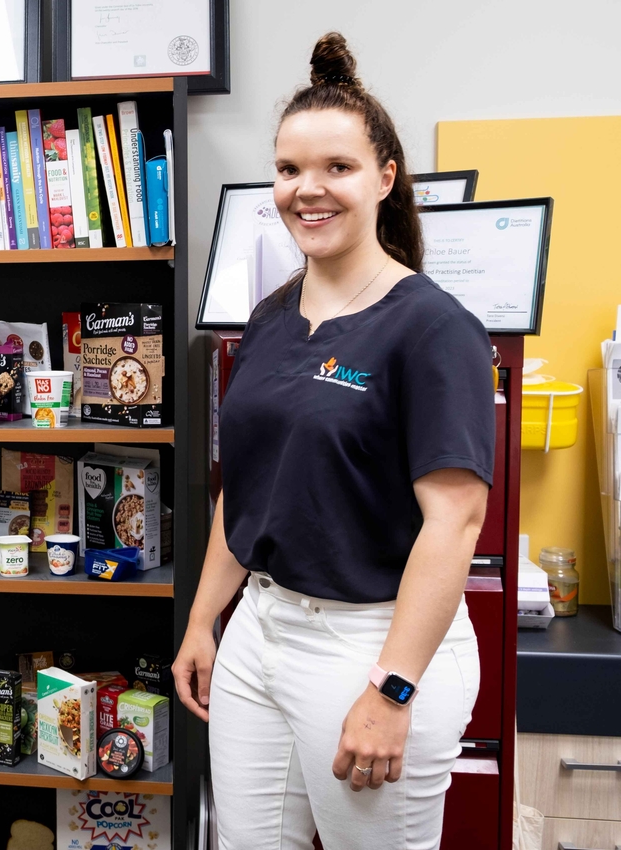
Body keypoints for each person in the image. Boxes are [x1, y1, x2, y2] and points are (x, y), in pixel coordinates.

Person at [172, 33, 494, 849]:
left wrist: (392, 691)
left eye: (336, 169)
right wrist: (206, 621)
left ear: (386, 179)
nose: (306, 190)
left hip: (372, 642)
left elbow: (453, 523)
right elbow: (243, 491)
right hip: (260, 634)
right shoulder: (273, 320)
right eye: (287, 170)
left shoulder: (433, 329)